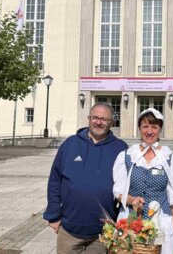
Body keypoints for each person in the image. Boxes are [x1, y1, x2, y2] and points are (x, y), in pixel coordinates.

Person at [43, 102, 128, 254]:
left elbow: (127, 186)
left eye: (104, 119)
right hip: (69, 229)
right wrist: (53, 216)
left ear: (112, 123)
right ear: (88, 119)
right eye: (95, 117)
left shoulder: (121, 148)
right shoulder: (70, 144)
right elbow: (55, 181)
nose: (98, 122)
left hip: (103, 232)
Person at [113, 108, 173, 254]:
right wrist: (132, 200)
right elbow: (118, 192)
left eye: (154, 127)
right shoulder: (126, 156)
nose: (149, 131)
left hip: (161, 224)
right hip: (130, 222)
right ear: (139, 128)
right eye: (145, 126)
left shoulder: (170, 159)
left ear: (160, 130)